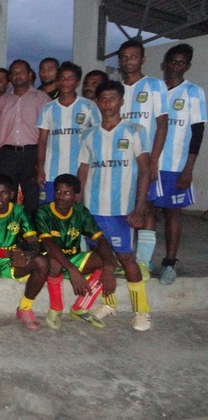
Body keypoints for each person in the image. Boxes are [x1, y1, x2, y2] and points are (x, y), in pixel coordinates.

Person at [78, 80, 153, 332]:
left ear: (121, 101)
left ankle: (141, 311)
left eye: (112, 98)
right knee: (102, 257)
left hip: (120, 209)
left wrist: (139, 207)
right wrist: (79, 206)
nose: (107, 103)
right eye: (103, 99)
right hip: (93, 208)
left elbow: (145, 170)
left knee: (126, 258)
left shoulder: (134, 131)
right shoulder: (89, 134)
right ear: (97, 102)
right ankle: (108, 304)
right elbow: (83, 170)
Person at [35, 174, 117, 330]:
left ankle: (80, 308)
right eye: (58, 192)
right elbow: (49, 245)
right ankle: (56, 309)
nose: (61, 197)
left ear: (76, 195)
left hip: (73, 258)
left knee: (108, 260)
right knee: (54, 262)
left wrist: (108, 267)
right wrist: (72, 270)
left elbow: (101, 240)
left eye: (67, 193)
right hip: (49, 260)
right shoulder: (43, 212)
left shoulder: (81, 212)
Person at [155, 44, 207, 285]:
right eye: (172, 61)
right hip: (150, 163)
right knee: (145, 212)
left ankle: (169, 263)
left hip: (176, 166)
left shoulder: (194, 92)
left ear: (187, 66)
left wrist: (189, 168)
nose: (176, 66)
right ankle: (142, 260)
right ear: (164, 63)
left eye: (181, 62)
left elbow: (198, 132)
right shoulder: (154, 90)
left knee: (173, 214)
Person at [118, 39, 168, 277]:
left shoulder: (155, 85)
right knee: (123, 210)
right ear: (120, 61)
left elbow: (162, 124)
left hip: (145, 161)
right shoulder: (117, 89)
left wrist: (154, 160)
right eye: (125, 57)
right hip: (120, 162)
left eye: (134, 57)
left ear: (143, 59)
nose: (129, 61)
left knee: (147, 209)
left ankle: (144, 262)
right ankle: (125, 260)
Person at [0, 175, 48, 331]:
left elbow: (34, 242)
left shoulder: (20, 211)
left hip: (13, 262)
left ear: (12, 194)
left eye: (4, 193)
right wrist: (6, 254)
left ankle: (25, 308)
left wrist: (27, 256)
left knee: (42, 262)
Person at [36, 61, 101, 203]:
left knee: (75, 212)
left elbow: (97, 138)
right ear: (58, 81)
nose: (66, 82)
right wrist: (40, 168)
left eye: (70, 78)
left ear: (77, 82)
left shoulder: (89, 106)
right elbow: (42, 140)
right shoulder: (48, 108)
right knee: (48, 211)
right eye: (63, 78)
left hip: (79, 172)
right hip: (51, 172)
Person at [0, 59, 50, 214]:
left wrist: (41, 162)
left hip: (32, 154)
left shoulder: (42, 99)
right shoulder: (3, 100)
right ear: (10, 77)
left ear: (29, 74)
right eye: (14, 73)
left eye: (21, 72)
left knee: (32, 198)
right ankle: (8, 229)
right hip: (7, 155)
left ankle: (29, 229)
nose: (17, 76)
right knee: (5, 198)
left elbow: (47, 134)